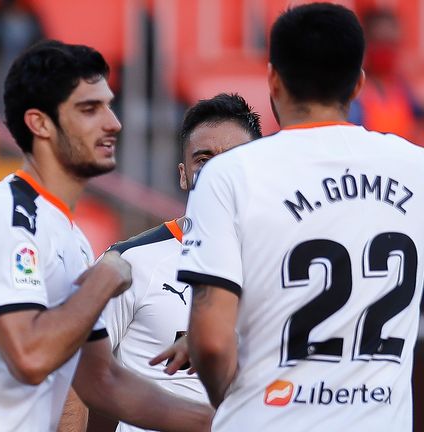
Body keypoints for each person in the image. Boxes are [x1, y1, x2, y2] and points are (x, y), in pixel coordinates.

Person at [0, 39, 212, 432]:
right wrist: (104, 280)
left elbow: (102, 381)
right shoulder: (4, 213)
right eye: (89, 109)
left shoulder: (71, 238)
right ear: (40, 123)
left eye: (108, 104)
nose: (113, 122)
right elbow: (29, 358)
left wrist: (228, 421)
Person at [177, 3, 424, 431]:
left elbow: (212, 343)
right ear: (358, 83)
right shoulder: (417, 168)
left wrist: (233, 405)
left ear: (272, 78)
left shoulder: (228, 173)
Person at [80, 93, 262, 432]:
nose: (217, 170)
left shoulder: (282, 267)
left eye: (233, 159)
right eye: (203, 158)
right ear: (184, 174)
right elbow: (76, 376)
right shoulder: (128, 262)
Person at [348, 8, 423, 142]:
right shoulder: (353, 93)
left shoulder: (403, 89)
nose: (386, 50)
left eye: (391, 43)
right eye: (380, 42)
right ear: (366, 44)